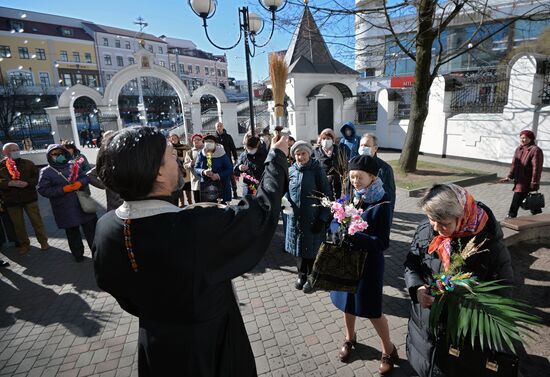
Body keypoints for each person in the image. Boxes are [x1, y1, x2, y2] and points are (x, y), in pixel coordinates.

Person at [92, 125, 289, 377]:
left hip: (156, 344)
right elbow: (260, 213)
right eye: (172, 156)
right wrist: (276, 157)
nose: (181, 164)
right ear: (158, 174)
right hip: (209, 345)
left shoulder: (105, 227)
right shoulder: (195, 227)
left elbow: (121, 291)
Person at [404, 183, 514, 377]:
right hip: (423, 326)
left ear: (461, 216)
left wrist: (464, 299)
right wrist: (417, 287)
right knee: (423, 366)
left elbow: (503, 293)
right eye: (431, 219)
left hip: (459, 337)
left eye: (443, 223)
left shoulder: (488, 245)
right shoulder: (425, 229)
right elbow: (412, 263)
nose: (436, 229)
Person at [330, 154, 397, 375]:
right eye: (352, 177)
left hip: (369, 265)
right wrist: (336, 231)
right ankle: (350, 338)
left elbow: (382, 242)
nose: (355, 181)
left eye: (359, 177)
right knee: (347, 303)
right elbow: (336, 222)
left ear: (372, 176)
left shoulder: (383, 202)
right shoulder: (351, 197)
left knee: (372, 310)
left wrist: (355, 236)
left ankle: (388, 349)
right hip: (348, 261)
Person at [285, 141, 332, 293]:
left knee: (312, 251)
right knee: (299, 250)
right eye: (297, 154)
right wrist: (284, 203)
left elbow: (327, 195)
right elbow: (286, 192)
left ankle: (313, 277)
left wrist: (323, 218)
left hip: (313, 218)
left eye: (303, 153)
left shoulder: (317, 170)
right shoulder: (291, 170)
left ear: (309, 154)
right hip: (296, 219)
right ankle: (301, 275)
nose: (300, 157)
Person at [37, 145, 98, 262]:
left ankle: (96, 254)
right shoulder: (46, 172)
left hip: (82, 204)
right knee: (72, 232)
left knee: (91, 230)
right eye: (54, 154)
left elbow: (85, 177)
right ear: (49, 156)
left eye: (60, 153)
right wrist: (62, 189)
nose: (58, 156)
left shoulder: (73, 165)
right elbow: (42, 190)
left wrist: (80, 183)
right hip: (64, 208)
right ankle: (78, 255)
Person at [0, 143, 50, 255]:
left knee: (37, 221)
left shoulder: (28, 163)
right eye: (12, 150)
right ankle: (24, 244)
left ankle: (43, 242)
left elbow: (37, 178)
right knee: (18, 225)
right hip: (11, 200)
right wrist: (10, 183)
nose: (16, 151)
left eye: (17, 149)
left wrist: (27, 183)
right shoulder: (1, 166)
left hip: (29, 198)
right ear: (5, 152)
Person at [500, 129, 544, 218]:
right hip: (519, 179)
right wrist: (509, 176)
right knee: (526, 198)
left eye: (525, 138)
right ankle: (537, 212)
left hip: (527, 180)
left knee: (517, 197)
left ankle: (511, 215)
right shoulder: (519, 149)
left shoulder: (535, 150)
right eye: (521, 138)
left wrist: (534, 182)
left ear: (531, 139)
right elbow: (514, 164)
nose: (522, 140)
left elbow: (537, 168)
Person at [359, 134, 396, 223]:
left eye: (367, 145)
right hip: (356, 213)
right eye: (361, 145)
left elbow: (390, 196)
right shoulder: (353, 165)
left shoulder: (385, 168)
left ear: (375, 148)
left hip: (375, 213)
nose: (363, 148)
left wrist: (388, 219)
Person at [194, 134, 233, 204]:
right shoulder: (201, 154)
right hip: (207, 187)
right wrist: (203, 172)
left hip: (222, 186)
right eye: (207, 141)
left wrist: (218, 175)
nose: (208, 143)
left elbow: (229, 169)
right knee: (209, 209)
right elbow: (196, 168)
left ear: (215, 143)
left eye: (211, 141)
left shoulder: (222, 153)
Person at [313, 128, 346, 199]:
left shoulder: (339, 150)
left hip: (337, 185)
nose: (326, 141)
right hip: (321, 184)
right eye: (323, 138)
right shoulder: (316, 152)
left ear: (332, 140)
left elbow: (344, 167)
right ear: (320, 140)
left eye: (328, 138)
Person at [215, 122, 239, 199]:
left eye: (220, 126)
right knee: (220, 177)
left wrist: (235, 158)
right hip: (218, 161)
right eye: (217, 126)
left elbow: (233, 148)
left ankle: (234, 191)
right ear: (215, 128)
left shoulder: (228, 137)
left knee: (231, 176)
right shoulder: (214, 138)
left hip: (227, 160)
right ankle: (221, 193)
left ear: (223, 127)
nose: (219, 127)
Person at [169, 133, 192, 207]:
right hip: (177, 171)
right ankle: (182, 204)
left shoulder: (185, 147)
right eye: (172, 139)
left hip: (186, 170)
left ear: (178, 139)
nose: (174, 140)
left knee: (188, 188)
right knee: (180, 188)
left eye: (175, 138)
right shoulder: (170, 148)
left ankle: (190, 203)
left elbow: (190, 155)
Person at [184, 133, 204, 204]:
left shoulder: (207, 150)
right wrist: (190, 164)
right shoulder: (189, 152)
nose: (196, 141)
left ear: (202, 140)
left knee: (207, 202)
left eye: (198, 139)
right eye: (194, 140)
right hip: (195, 181)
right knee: (197, 202)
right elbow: (185, 165)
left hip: (207, 181)